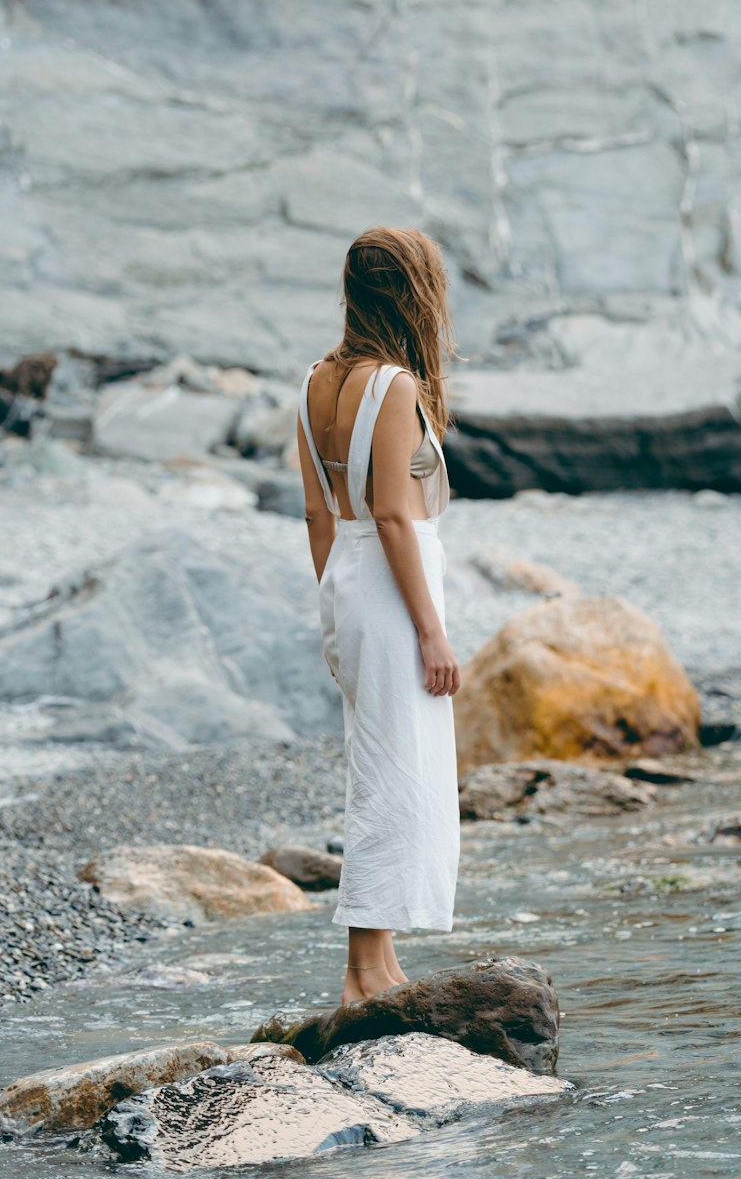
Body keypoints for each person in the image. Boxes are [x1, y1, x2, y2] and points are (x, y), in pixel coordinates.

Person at [297, 226, 462, 1005]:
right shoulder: (392, 385)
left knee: (385, 762)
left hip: (349, 578)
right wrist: (431, 630)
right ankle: (363, 974)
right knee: (394, 773)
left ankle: (381, 961)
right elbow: (394, 515)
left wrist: (336, 603)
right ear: (411, 292)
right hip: (393, 584)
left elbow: (316, 514)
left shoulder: (314, 381)